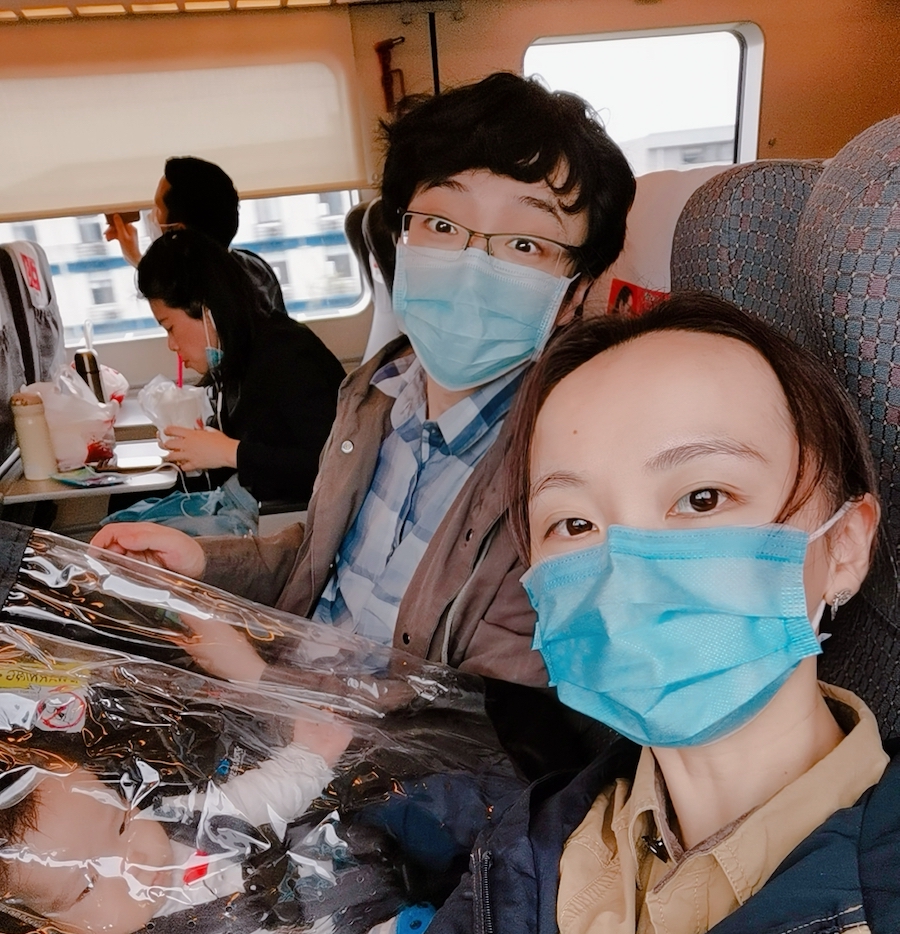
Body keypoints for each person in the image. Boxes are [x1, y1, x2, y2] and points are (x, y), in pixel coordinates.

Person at [221, 293, 900, 934]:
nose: (622, 565)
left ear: (845, 545)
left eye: (701, 497)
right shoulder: (533, 840)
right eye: (573, 524)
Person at [91, 73, 636, 718]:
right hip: (285, 693)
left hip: (362, 767)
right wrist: (200, 560)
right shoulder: (378, 390)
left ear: (573, 293)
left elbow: (486, 723)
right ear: (402, 241)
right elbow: (320, 556)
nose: (469, 261)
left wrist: (263, 685)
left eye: (523, 242)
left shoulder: (564, 468)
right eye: (441, 223)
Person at [0, 708, 436, 934]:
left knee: (422, 803)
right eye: (88, 884)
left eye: (121, 823)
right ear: (50, 929)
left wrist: (310, 755)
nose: (132, 862)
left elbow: (254, 797)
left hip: (355, 873)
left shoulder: (178, 821)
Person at [134, 228, 345, 505]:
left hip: (296, 518)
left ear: (205, 308)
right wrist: (197, 446)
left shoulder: (287, 354)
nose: (171, 345)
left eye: (170, 327)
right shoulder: (234, 360)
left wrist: (228, 452)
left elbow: (331, 463)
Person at [105, 155, 287, 314]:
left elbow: (179, 293)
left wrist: (139, 260)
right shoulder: (252, 266)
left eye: (158, 208)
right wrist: (137, 258)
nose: (151, 216)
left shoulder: (209, 297)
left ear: (178, 230)